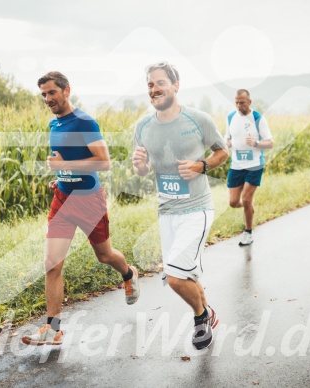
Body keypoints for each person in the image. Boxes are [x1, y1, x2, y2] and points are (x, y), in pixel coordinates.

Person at [22, 71, 140, 346]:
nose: (47, 98)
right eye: (43, 94)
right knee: (52, 264)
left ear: (66, 90)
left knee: (105, 255)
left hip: (89, 200)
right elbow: (69, 162)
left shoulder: (84, 121)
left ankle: (128, 274)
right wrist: (61, 177)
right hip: (63, 199)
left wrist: (65, 167)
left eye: (52, 92)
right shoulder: (55, 124)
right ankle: (53, 329)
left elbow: (103, 162)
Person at [132, 62, 228, 350]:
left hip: (197, 209)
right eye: (150, 84)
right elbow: (143, 170)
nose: (154, 88)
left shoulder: (198, 119)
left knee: (174, 276)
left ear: (176, 85)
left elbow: (222, 152)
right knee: (187, 274)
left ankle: (201, 317)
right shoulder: (143, 126)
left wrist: (201, 165)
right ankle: (209, 311)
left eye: (160, 82)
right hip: (166, 212)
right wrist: (140, 166)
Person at [225, 89, 274, 246]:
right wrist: (227, 142)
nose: (239, 105)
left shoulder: (258, 118)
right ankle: (248, 207)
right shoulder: (231, 117)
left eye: (242, 102)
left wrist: (256, 143)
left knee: (246, 198)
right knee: (233, 202)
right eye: (237, 102)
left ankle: (248, 232)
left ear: (249, 102)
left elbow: (270, 143)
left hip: (254, 165)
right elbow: (227, 137)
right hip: (236, 165)